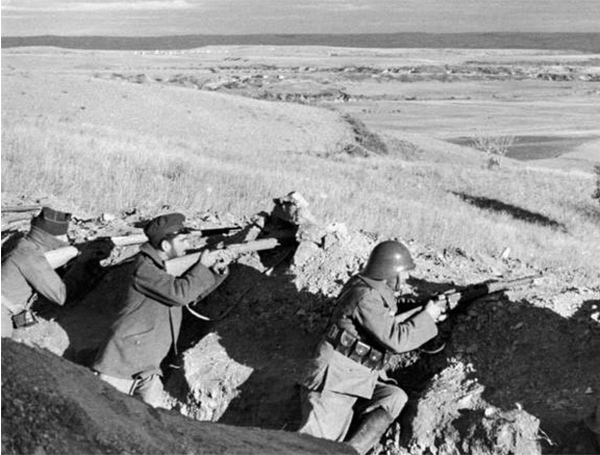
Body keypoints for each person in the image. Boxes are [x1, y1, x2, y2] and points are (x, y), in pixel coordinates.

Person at [298, 240, 446, 455]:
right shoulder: (366, 297)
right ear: (390, 272)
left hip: (357, 378)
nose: (407, 278)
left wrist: (424, 315)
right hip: (335, 381)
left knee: (393, 398)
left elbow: (385, 323)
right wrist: (427, 316)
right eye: (403, 272)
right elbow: (396, 339)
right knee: (310, 448)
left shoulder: (371, 291)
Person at [92, 213, 231, 408]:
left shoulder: (161, 267)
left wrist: (216, 270)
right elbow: (179, 294)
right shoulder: (144, 269)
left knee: (154, 425)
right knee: (104, 417)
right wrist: (201, 266)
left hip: (150, 365)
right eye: (182, 241)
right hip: (122, 363)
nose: (187, 246)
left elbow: (190, 295)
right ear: (165, 246)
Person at [1, 207, 110, 338]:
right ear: (50, 238)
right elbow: (61, 296)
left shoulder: (23, 244)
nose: (65, 239)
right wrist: (82, 262)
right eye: (61, 236)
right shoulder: (31, 257)